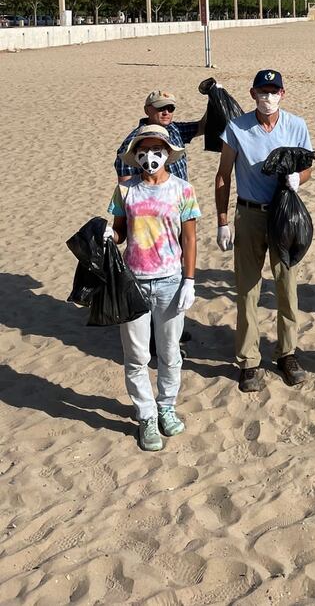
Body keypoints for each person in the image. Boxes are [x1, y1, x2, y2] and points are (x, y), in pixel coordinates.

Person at [214, 69, 313, 393]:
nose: (268, 97)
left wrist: (300, 178)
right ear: (253, 93)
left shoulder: (296, 125)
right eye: (262, 91)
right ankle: (248, 361)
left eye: (274, 91)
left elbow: (306, 165)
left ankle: (287, 353)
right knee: (248, 289)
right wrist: (223, 221)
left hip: (285, 216)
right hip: (250, 213)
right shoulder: (237, 128)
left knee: (286, 285)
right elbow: (223, 175)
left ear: (282, 94)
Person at [106, 124, 200, 451]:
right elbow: (119, 231)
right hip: (133, 282)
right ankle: (146, 414)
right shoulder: (125, 190)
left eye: (156, 150)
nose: (150, 158)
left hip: (171, 281)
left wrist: (189, 279)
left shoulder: (182, 190)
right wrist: (110, 235)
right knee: (136, 355)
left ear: (167, 153)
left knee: (170, 353)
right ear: (135, 156)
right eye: (143, 152)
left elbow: (189, 237)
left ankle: (166, 407)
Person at [115, 89, 207, 183]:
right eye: (160, 108)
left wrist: (214, 99)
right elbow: (126, 188)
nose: (166, 112)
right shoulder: (132, 143)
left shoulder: (174, 129)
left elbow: (203, 126)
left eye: (170, 108)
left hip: (182, 194)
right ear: (146, 110)